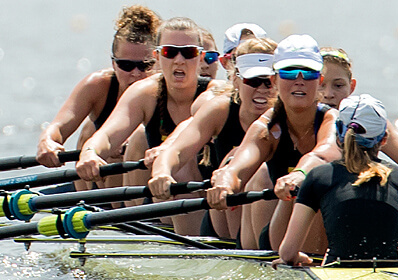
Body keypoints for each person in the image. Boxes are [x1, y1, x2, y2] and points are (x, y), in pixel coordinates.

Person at [75, 17, 222, 235]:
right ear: (157, 57)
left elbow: (188, 127)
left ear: (201, 58)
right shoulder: (145, 92)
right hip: (166, 200)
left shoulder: (216, 93)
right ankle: (147, 234)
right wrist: (90, 152)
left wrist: (165, 150)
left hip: (214, 203)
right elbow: (107, 134)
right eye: (170, 52)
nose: (179, 60)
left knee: (180, 168)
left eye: (188, 52)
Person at [273, 94, 398, 268]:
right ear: (383, 139)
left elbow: (287, 253)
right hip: (391, 269)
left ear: (339, 135)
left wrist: (301, 259)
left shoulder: (319, 177)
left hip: (336, 269)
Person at [206, 35, 341, 248]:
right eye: (288, 72)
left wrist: (299, 173)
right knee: (257, 178)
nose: (299, 80)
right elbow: (240, 164)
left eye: (308, 73)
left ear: (320, 81)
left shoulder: (332, 120)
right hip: (278, 233)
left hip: (324, 231)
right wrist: (226, 179)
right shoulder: (266, 127)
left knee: (310, 185)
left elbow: (324, 153)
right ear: (274, 80)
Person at [148, 37, 278, 240]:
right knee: (230, 163)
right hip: (222, 214)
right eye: (252, 80)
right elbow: (177, 150)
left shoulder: (288, 114)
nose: (262, 89)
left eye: (269, 81)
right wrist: (162, 173)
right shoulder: (220, 109)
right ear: (235, 79)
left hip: (271, 204)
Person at [318, 47, 398, 214]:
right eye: (321, 85)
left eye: (338, 85)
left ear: (352, 87)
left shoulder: (368, 120)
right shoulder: (296, 115)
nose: (328, 94)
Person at [36, 5, 161, 168]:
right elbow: (58, 128)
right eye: (126, 65)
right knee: (89, 132)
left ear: (159, 61)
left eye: (145, 65)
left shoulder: (171, 90)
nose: (136, 73)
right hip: (101, 180)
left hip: (151, 176)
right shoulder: (98, 86)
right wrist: (47, 141)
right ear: (114, 64)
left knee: (138, 139)